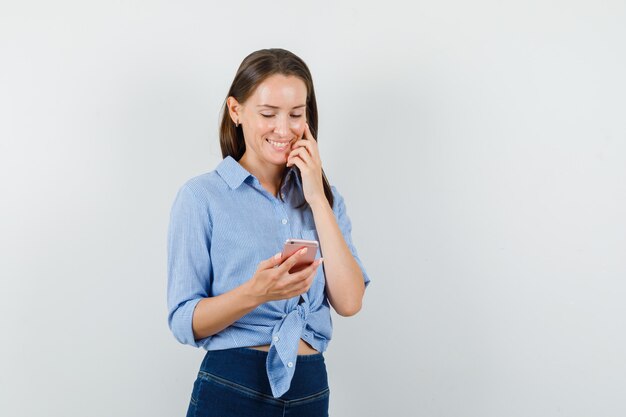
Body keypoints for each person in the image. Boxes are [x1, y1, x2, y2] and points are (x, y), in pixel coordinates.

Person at [167, 48, 371, 417]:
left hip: (309, 386)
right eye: (268, 114)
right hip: (233, 384)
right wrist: (255, 293)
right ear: (236, 111)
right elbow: (184, 321)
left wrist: (316, 198)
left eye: (296, 114)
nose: (284, 128)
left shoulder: (325, 198)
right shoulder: (201, 197)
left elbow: (349, 302)